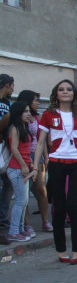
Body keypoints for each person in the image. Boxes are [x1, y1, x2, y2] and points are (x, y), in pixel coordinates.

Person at [32, 79, 77, 264]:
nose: (65, 92)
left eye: (69, 89)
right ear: (56, 94)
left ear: (74, 94)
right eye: (61, 89)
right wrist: (35, 166)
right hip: (56, 162)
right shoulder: (48, 115)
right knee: (58, 207)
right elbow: (41, 142)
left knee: (73, 206)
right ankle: (61, 249)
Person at [17, 90, 52, 233]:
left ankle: (45, 221)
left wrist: (46, 157)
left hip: (37, 156)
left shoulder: (37, 117)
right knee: (24, 192)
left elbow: (41, 139)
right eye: (35, 100)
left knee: (41, 190)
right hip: (24, 156)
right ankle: (26, 224)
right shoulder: (19, 117)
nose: (38, 103)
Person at [6, 101, 34, 242]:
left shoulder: (23, 127)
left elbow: (25, 149)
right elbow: (15, 149)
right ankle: (13, 231)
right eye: (25, 111)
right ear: (18, 113)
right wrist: (24, 165)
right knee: (21, 201)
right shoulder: (15, 128)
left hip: (23, 168)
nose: (28, 114)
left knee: (24, 201)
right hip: (16, 168)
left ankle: (20, 229)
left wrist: (30, 162)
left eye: (29, 111)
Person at [0, 74, 14, 235]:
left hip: (4, 148)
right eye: (12, 86)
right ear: (7, 85)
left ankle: (2, 217)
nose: (13, 89)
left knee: (9, 181)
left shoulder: (6, 104)